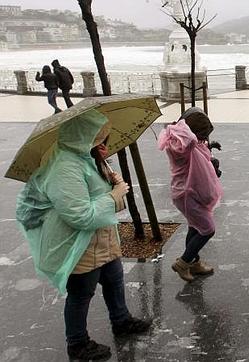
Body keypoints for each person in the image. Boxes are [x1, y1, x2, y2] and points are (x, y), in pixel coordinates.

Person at [15, 110, 151, 361]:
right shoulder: (63, 166)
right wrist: (114, 195)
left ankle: (121, 320)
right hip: (79, 243)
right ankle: (77, 343)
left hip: (102, 238)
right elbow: (79, 215)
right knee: (81, 292)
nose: (103, 142)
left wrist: (111, 181)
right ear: (83, 135)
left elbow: (99, 199)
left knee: (114, 279)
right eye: (98, 136)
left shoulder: (86, 157)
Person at [158, 107, 223, 282]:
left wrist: (209, 145)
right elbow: (192, 144)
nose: (203, 140)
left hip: (188, 192)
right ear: (192, 133)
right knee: (207, 229)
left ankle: (194, 262)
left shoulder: (178, 140)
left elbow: (197, 146)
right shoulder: (185, 146)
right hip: (188, 193)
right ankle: (183, 263)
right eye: (202, 136)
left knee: (194, 227)